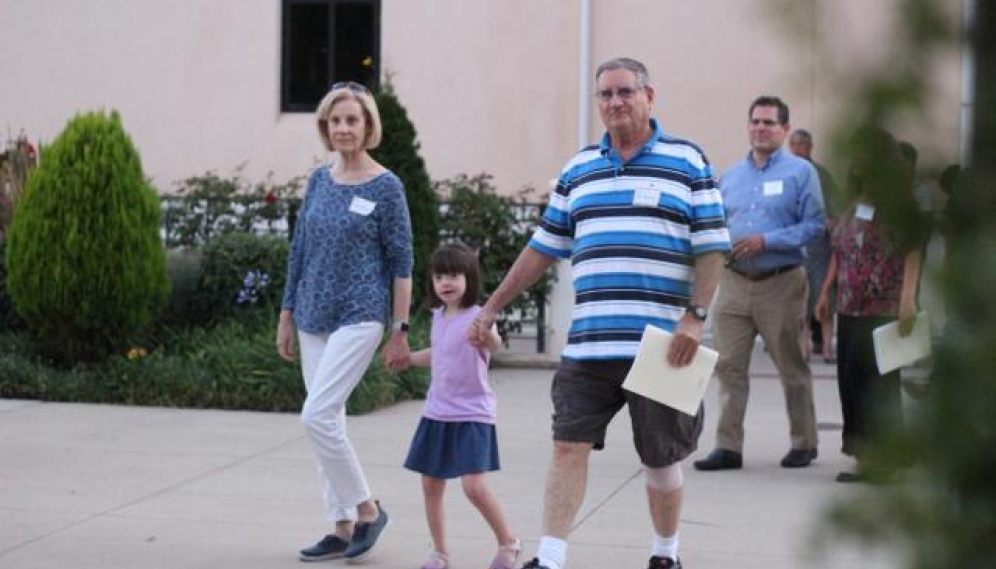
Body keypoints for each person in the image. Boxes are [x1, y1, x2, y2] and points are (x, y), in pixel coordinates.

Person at [468, 57, 730, 569]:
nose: (615, 103)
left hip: (663, 347)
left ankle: (665, 553)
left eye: (625, 92)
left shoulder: (688, 161)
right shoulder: (578, 169)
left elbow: (712, 247)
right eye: (605, 95)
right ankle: (550, 557)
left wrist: (695, 317)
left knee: (661, 459)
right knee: (568, 446)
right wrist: (492, 306)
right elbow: (541, 248)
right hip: (590, 343)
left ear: (649, 96)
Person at [276, 80, 413, 563]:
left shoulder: (386, 186)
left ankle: (368, 509)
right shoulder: (318, 180)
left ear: (368, 125)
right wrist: (286, 314)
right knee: (326, 421)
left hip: (361, 315)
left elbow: (402, 263)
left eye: (352, 119)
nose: (343, 128)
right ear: (325, 127)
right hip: (313, 313)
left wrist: (400, 329)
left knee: (316, 414)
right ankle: (339, 525)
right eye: (335, 121)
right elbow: (300, 250)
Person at [694, 96, 826, 472]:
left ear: (784, 129)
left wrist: (767, 241)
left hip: (780, 281)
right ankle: (728, 446)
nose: (761, 128)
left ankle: (804, 441)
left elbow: (815, 225)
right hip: (734, 282)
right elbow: (717, 222)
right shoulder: (732, 175)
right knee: (728, 365)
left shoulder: (801, 173)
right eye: (755, 122)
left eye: (769, 122)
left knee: (790, 365)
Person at [815, 127, 925, 483]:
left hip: (883, 308)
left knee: (879, 386)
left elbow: (913, 248)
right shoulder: (855, 200)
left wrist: (908, 299)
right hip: (849, 305)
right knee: (851, 382)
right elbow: (841, 250)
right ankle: (865, 455)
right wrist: (825, 292)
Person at [400, 243, 521, 569]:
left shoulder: (480, 317)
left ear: (469, 277)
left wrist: (486, 336)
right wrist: (409, 359)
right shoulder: (438, 316)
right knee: (431, 485)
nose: (445, 282)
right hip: (437, 412)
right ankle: (440, 553)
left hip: (472, 414)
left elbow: (493, 343)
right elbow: (439, 355)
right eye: (439, 276)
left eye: (453, 275)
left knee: (474, 487)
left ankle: (509, 542)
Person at [789, 128, 839, 363]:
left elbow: (834, 208)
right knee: (800, 299)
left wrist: (832, 222)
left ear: (810, 148)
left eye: (803, 145)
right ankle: (804, 347)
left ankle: (828, 347)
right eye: (795, 145)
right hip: (794, 244)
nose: (799, 149)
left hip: (820, 244)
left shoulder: (821, 174)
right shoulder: (783, 171)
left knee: (823, 294)